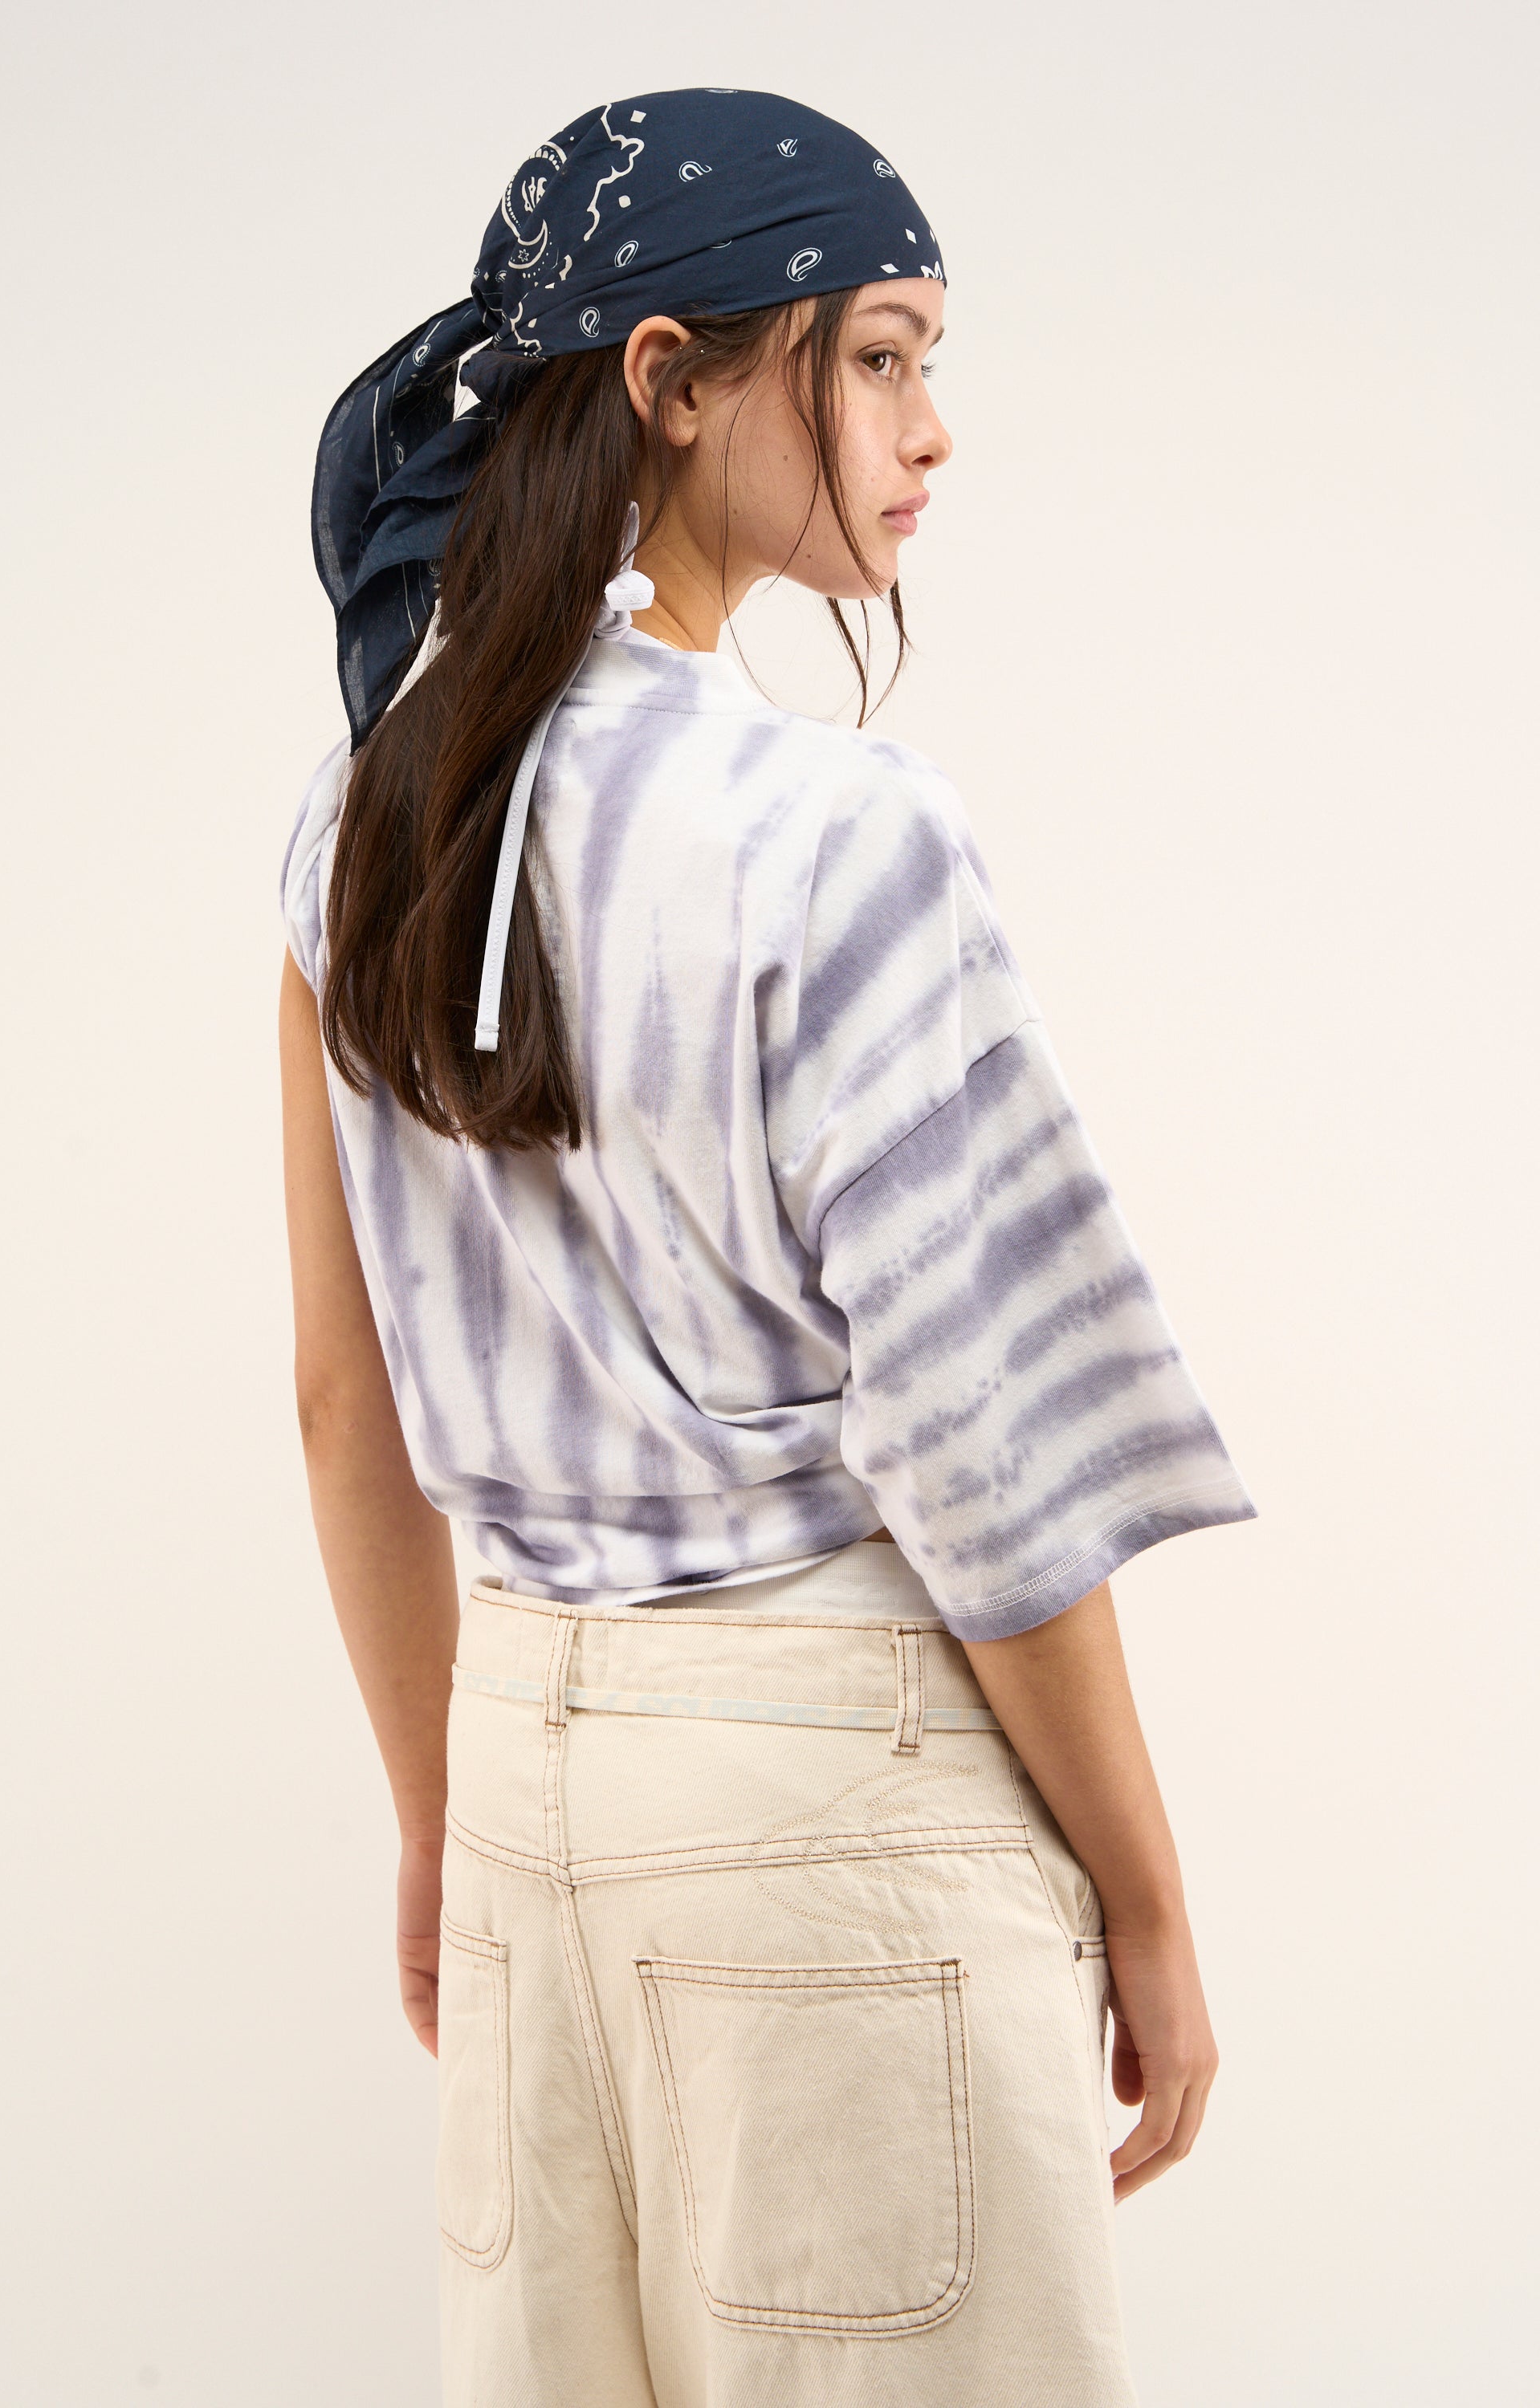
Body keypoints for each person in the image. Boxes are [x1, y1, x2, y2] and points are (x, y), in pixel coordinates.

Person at [280, 87, 1255, 2408]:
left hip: (526, 1780)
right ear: (670, 378)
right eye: (882, 354)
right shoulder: (838, 831)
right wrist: (1148, 1899)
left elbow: (343, 1402)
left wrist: (444, 1814)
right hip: (834, 1804)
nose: (933, 428)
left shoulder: (360, 816)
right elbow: (984, 1452)